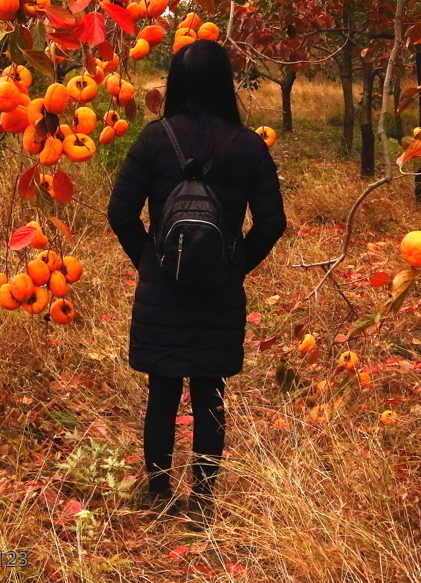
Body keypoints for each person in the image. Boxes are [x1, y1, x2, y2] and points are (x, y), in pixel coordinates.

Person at [106, 39, 286, 521]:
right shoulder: (247, 145)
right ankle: (203, 498)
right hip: (220, 286)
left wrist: (149, 260)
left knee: (162, 391)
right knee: (210, 392)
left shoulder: (152, 139)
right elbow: (271, 223)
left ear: (176, 83)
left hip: (161, 285)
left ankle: (159, 492)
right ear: (224, 84)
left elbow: (120, 214)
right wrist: (235, 265)